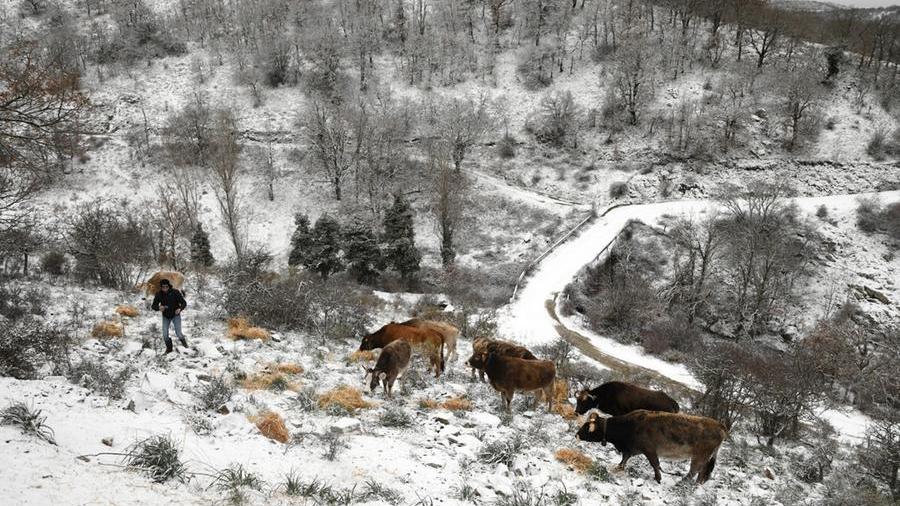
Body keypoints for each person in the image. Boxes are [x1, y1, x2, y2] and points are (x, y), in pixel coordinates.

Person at [150, 278, 188, 354]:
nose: (165, 289)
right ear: (161, 287)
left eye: (166, 287)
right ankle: (169, 349)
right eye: (163, 287)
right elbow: (153, 306)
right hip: (166, 316)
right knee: (165, 334)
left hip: (175, 314)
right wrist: (158, 308)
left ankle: (185, 344)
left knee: (178, 333)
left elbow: (184, 303)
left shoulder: (175, 292)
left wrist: (180, 309)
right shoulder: (158, 294)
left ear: (169, 286)